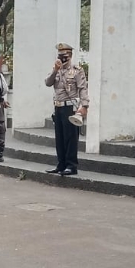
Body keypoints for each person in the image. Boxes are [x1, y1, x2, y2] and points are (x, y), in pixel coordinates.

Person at [44, 42, 89, 176]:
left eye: (64, 55)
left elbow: (83, 89)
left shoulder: (77, 70)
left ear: (69, 56)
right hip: (58, 107)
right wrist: (55, 70)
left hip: (70, 107)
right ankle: (61, 164)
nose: (61, 58)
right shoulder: (56, 69)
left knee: (70, 138)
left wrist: (85, 106)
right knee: (60, 138)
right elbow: (48, 83)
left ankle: (71, 165)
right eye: (60, 55)